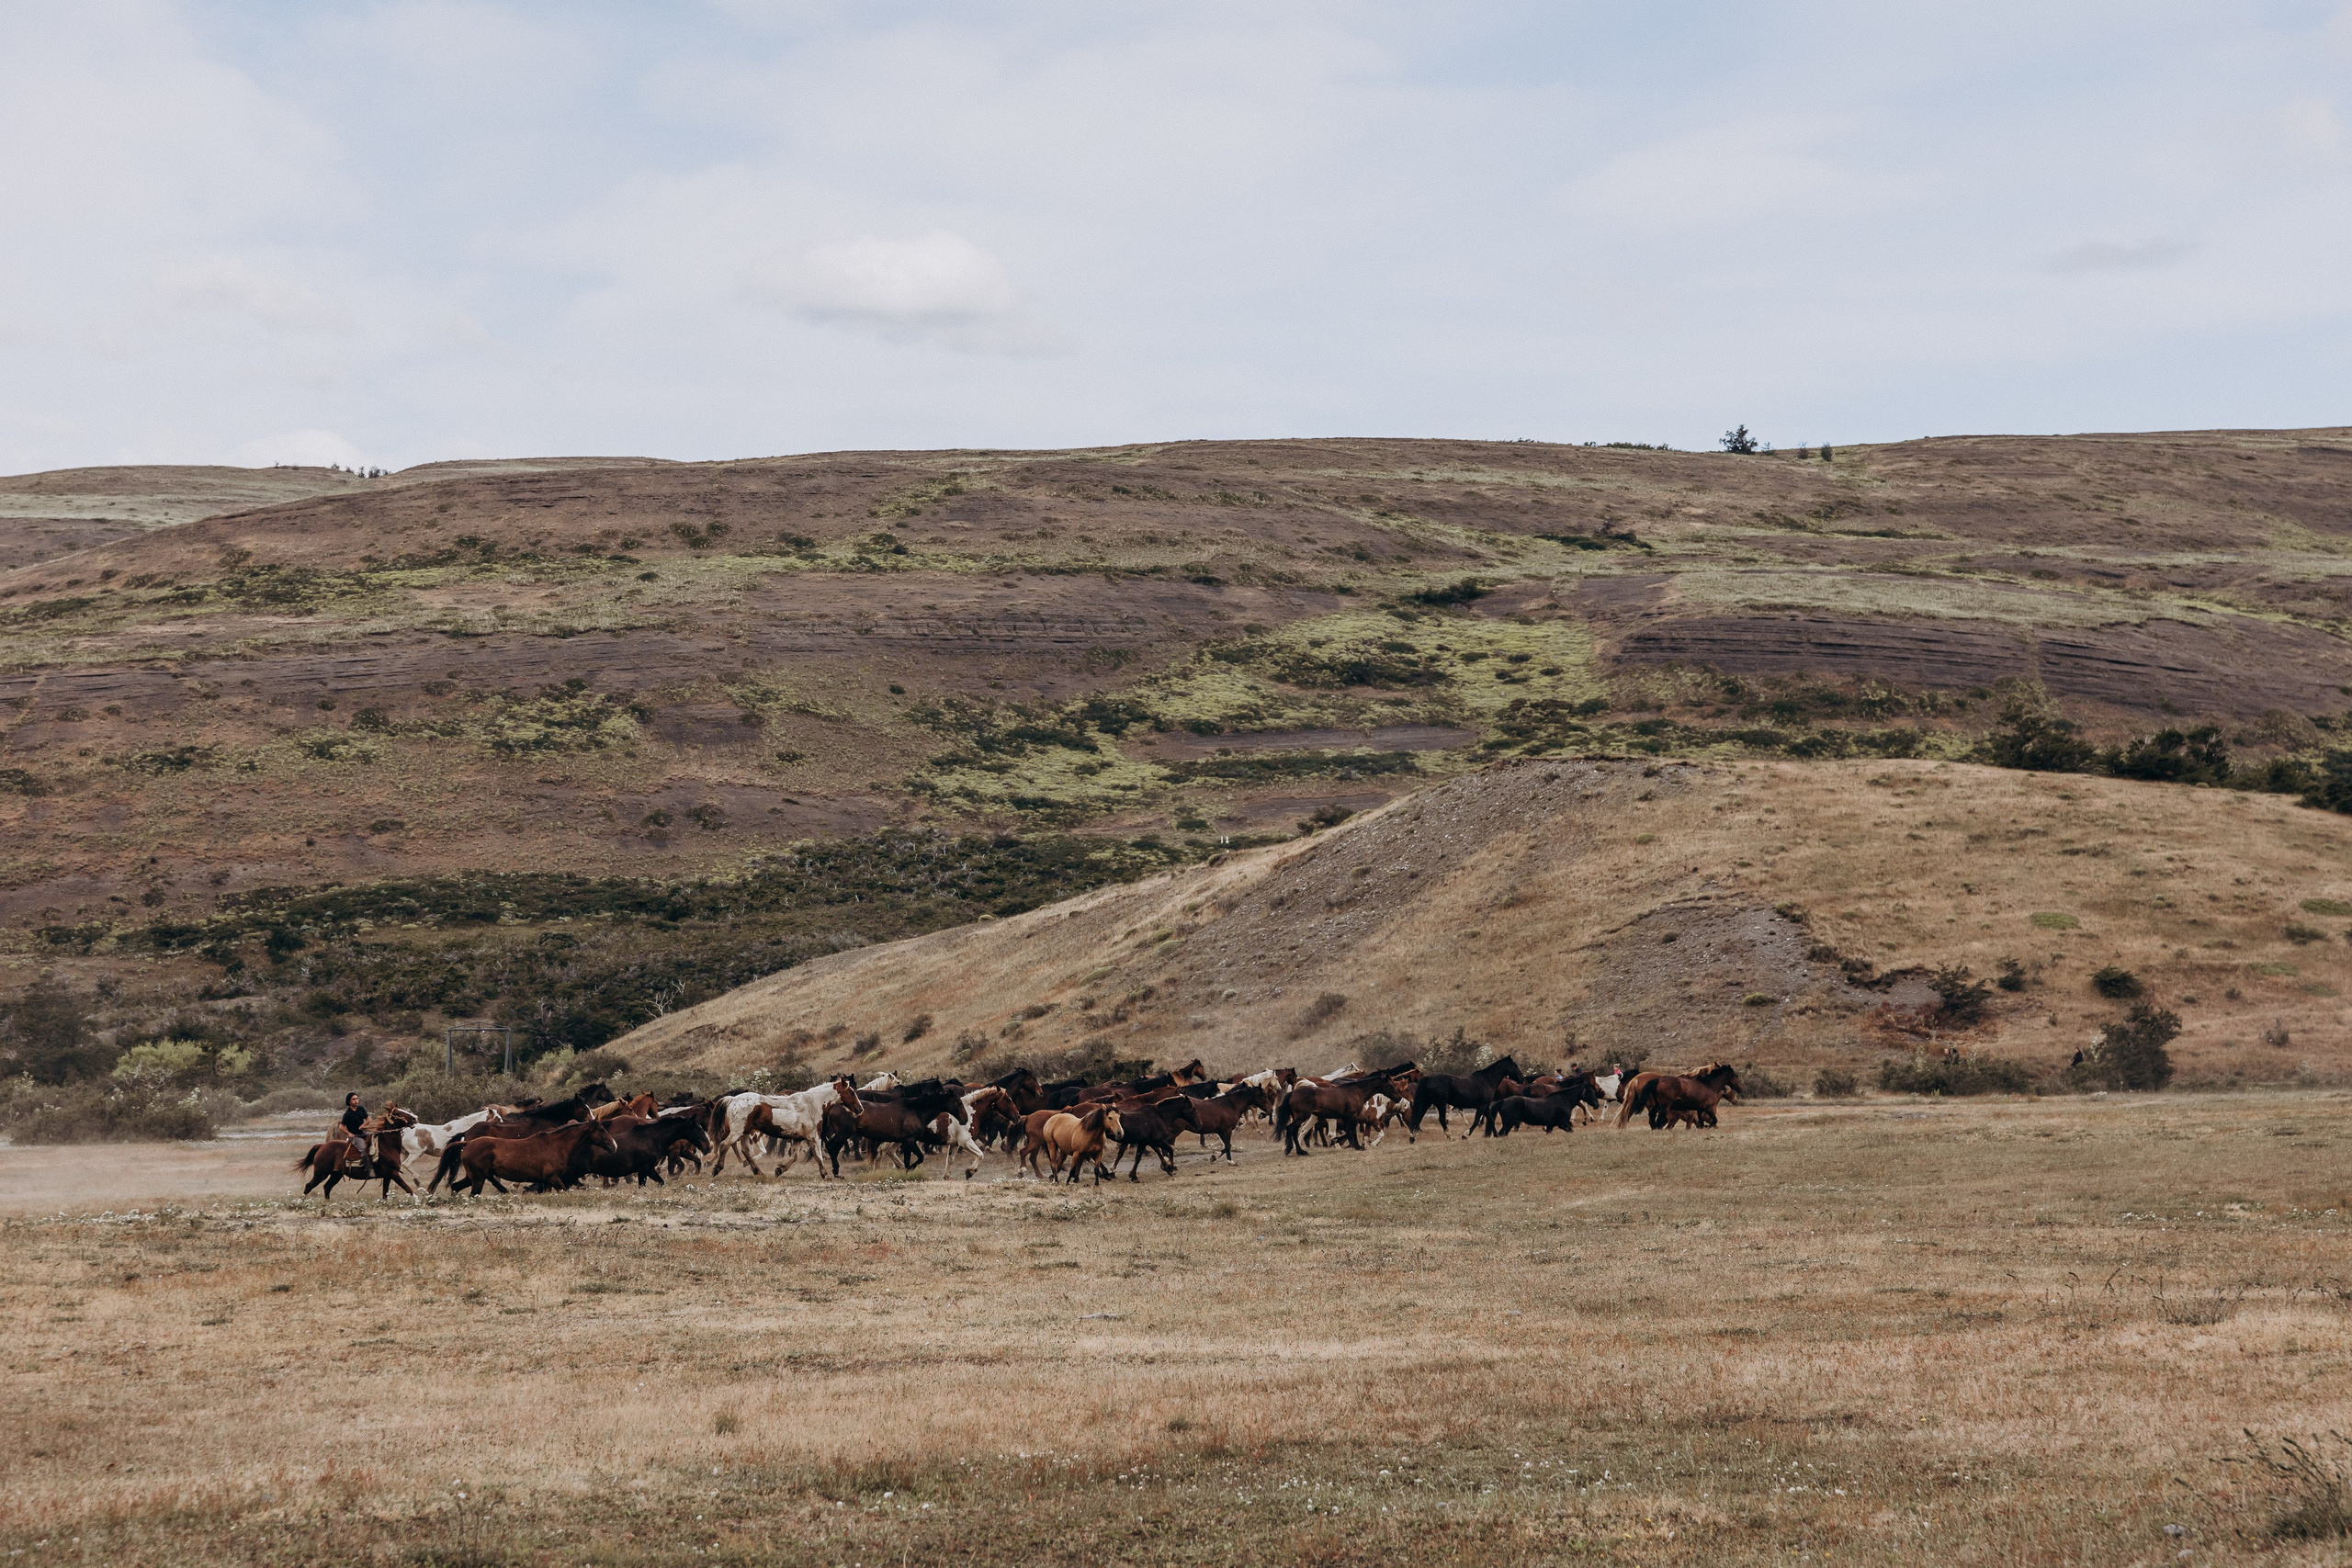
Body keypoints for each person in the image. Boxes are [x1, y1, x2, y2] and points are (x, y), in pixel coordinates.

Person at [338, 1092, 370, 1168]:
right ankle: (369, 1168)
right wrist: (348, 1133)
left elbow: (368, 1119)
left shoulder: (361, 1109)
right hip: (355, 1136)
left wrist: (362, 1126)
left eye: (357, 1099)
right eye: (353, 1099)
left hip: (363, 1133)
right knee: (363, 1148)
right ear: (349, 1101)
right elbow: (341, 1126)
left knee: (375, 1139)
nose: (356, 1101)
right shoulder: (347, 1113)